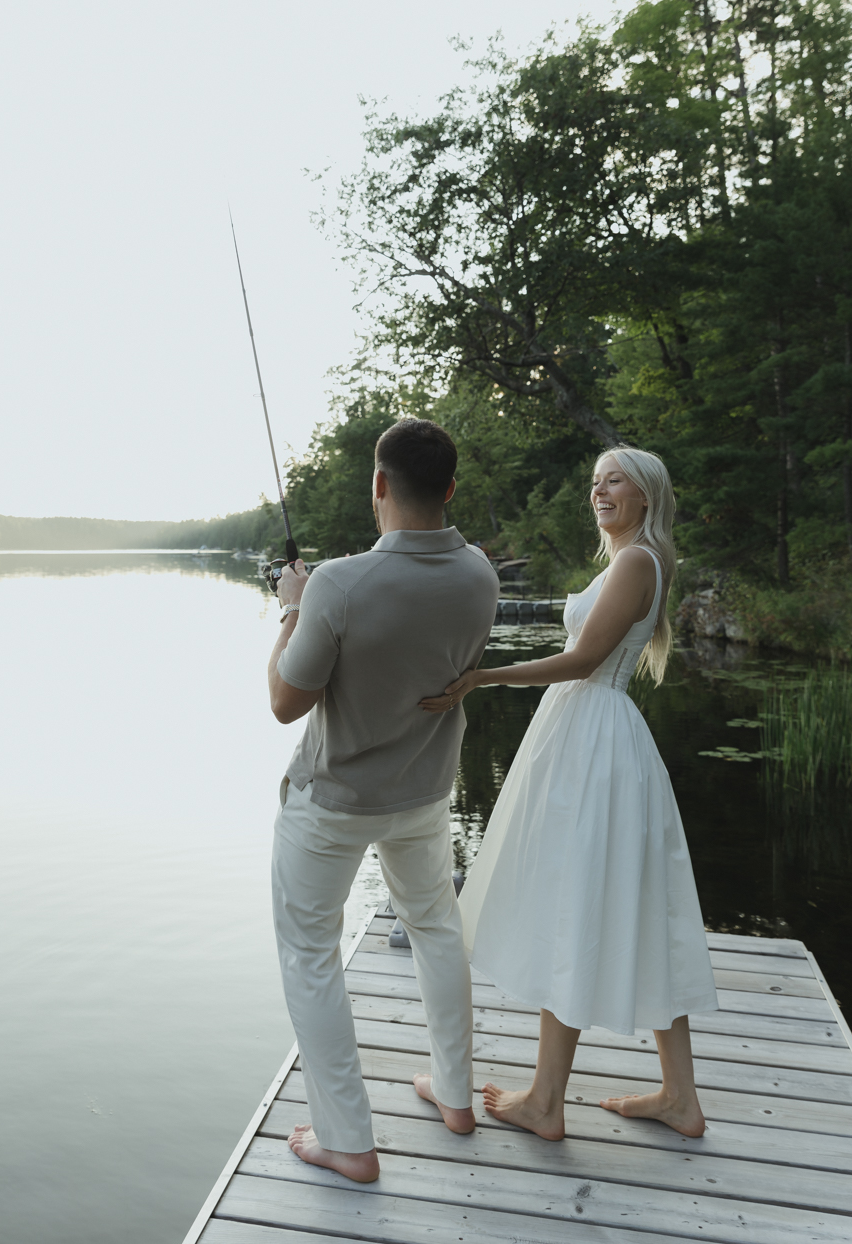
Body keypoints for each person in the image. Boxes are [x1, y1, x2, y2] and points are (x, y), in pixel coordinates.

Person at [420, 446, 718, 1140]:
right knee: (639, 912)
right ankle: (680, 1098)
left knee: (573, 903)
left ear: (646, 495)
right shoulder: (627, 562)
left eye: (616, 481)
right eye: (595, 481)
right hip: (589, 738)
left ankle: (547, 1103)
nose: (601, 491)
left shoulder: (637, 561)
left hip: (596, 745)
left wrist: (482, 678)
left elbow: (584, 661)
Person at [268, 418, 500, 1182]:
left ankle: (348, 1140)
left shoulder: (339, 581)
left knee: (310, 956)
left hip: (334, 801)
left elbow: (285, 702)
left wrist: (292, 608)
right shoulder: (481, 576)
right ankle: (457, 1097)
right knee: (435, 928)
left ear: (379, 484)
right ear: (451, 489)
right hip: (427, 794)